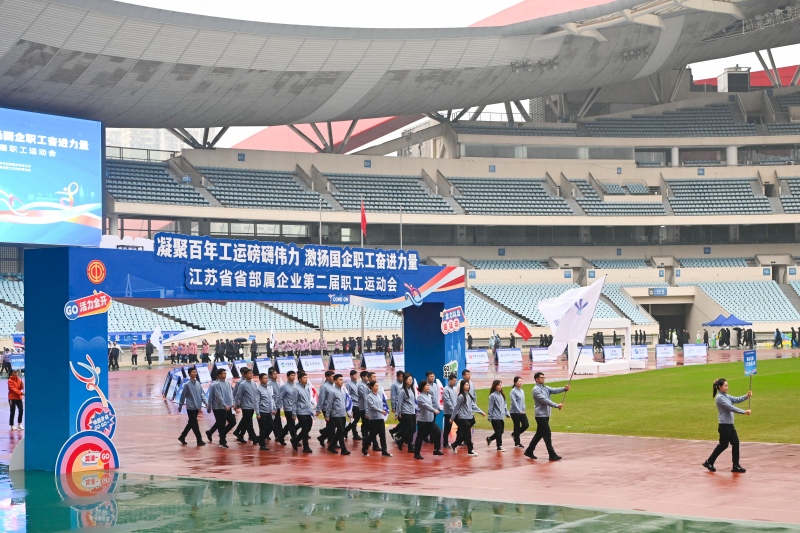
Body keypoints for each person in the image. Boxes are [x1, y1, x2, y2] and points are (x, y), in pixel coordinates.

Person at [703, 378, 751, 473]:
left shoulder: (726, 396)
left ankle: (736, 465)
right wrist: (744, 412)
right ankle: (709, 462)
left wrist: (746, 396)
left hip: (729, 425)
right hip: (724, 426)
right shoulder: (719, 398)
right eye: (725, 386)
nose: (727, 387)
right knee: (723, 445)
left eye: (727, 385)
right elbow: (730, 407)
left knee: (735, 443)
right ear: (719, 387)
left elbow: (736, 399)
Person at [524, 372, 569, 461]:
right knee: (547, 434)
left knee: (539, 434)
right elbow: (545, 400)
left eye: (544, 377)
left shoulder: (545, 387)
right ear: (536, 379)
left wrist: (564, 389)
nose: (543, 379)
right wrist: (556, 405)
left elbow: (554, 390)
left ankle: (529, 451)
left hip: (545, 415)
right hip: (540, 416)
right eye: (541, 377)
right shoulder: (536, 390)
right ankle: (552, 454)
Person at [450, 380, 484, 456]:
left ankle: (454, 444)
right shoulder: (461, 396)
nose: (468, 386)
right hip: (463, 417)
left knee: (466, 433)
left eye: (468, 385)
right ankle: (470, 450)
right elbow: (456, 408)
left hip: (469, 417)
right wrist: (452, 418)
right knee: (468, 434)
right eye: (466, 385)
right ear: (462, 386)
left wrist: (481, 412)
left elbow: (473, 405)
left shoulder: (468, 395)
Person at [413, 381, 443, 459]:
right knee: (420, 436)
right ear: (422, 387)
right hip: (422, 421)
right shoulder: (420, 397)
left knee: (438, 432)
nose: (428, 387)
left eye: (428, 385)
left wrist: (437, 408)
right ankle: (416, 453)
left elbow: (431, 405)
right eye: (426, 385)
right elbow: (426, 406)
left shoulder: (429, 395)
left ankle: (436, 449)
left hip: (430, 420)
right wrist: (434, 410)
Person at [177, 367, 207, 446]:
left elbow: (202, 394)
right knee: (195, 424)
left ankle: (182, 436)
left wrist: (206, 402)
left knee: (191, 423)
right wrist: (180, 406)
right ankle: (199, 439)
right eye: (193, 372)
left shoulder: (198, 383)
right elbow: (183, 395)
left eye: (195, 372)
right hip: (190, 407)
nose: (195, 373)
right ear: (189, 374)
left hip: (197, 407)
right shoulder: (187, 385)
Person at [206, 368, 236, 448]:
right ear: (219, 375)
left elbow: (230, 394)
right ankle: (222, 441)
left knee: (232, 422)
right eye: (223, 373)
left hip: (228, 406)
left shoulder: (228, 383)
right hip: (219, 408)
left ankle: (211, 432)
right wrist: (224, 405)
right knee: (221, 424)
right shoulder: (216, 384)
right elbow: (218, 396)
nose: (225, 375)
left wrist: (232, 402)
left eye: (225, 373)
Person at [363, 380, 392, 457]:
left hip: (380, 418)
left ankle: (384, 451)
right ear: (371, 387)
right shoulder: (369, 397)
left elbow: (382, 404)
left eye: (377, 386)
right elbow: (372, 406)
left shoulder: (379, 395)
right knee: (372, 435)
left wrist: (383, 411)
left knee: (382, 435)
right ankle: (364, 448)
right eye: (375, 386)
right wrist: (381, 411)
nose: (377, 387)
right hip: (373, 419)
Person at [324, 374, 351, 455]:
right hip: (336, 415)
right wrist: (327, 415)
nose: (341, 381)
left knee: (340, 431)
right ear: (335, 381)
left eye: (342, 379)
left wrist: (348, 412)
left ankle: (331, 446)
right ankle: (343, 449)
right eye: (340, 380)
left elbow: (345, 403)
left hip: (342, 414)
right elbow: (329, 404)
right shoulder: (333, 392)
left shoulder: (343, 391)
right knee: (341, 431)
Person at [233, 368, 259, 445]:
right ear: (245, 375)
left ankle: (240, 435)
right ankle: (254, 437)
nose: (251, 375)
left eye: (252, 373)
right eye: (249, 373)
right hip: (246, 406)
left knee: (245, 421)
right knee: (249, 423)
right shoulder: (242, 384)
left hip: (252, 406)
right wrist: (236, 404)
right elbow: (238, 395)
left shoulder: (254, 383)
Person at [290, 371, 314, 453]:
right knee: (305, 428)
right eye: (304, 378)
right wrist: (294, 413)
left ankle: (295, 440)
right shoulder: (296, 389)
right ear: (300, 379)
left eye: (307, 378)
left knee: (308, 427)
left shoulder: (307, 387)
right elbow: (294, 402)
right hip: (300, 412)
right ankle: (306, 446)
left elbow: (309, 399)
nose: (306, 379)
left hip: (308, 411)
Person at [486, 380, 511, 452]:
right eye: (498, 385)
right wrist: (490, 416)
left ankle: (490, 439)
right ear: (495, 386)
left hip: (501, 417)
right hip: (495, 417)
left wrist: (507, 413)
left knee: (501, 431)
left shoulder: (501, 395)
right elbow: (491, 407)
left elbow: (505, 405)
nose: (500, 386)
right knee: (498, 432)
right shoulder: (492, 396)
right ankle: (499, 446)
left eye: (501, 385)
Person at [396, 372, 417, 453]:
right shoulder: (402, 391)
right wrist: (398, 413)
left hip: (412, 412)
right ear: (405, 380)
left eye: (411, 379)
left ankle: (401, 441)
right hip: (406, 412)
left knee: (413, 429)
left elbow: (413, 402)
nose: (411, 381)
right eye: (409, 379)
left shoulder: (411, 389)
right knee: (410, 430)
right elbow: (399, 402)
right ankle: (410, 446)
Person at [255, 372, 275, 451]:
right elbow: (256, 401)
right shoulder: (258, 389)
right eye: (264, 378)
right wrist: (257, 413)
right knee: (263, 428)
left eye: (267, 378)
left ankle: (261, 439)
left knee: (271, 426)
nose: (266, 380)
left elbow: (272, 399)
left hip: (269, 411)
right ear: (260, 379)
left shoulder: (269, 388)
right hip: (262, 412)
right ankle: (262, 444)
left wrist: (273, 408)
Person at [266, 367, 286, 445]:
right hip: (273, 406)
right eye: (274, 374)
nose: (276, 375)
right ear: (270, 375)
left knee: (277, 420)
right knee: (274, 421)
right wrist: (273, 407)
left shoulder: (277, 383)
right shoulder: (269, 384)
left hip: (278, 405)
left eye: (276, 373)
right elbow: (271, 397)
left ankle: (278, 434)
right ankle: (277, 435)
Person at [317, 371, 336, 448]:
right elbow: (321, 398)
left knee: (332, 425)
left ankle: (323, 437)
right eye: (332, 376)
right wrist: (318, 409)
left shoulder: (334, 385)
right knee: (332, 425)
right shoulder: (324, 387)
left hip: (334, 408)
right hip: (326, 408)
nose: (334, 378)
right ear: (327, 377)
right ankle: (332, 441)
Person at [509, 376, 529, 448]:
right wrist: (519, 410)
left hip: (522, 411)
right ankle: (517, 443)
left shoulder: (522, 391)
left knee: (526, 425)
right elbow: (514, 402)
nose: (520, 383)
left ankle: (515, 434)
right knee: (516, 426)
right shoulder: (513, 391)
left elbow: (522, 401)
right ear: (515, 383)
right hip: (515, 412)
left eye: (521, 381)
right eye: (519, 381)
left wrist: (523, 408)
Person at [280, 370, 298, 445]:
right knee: (291, 424)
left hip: (295, 408)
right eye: (291, 375)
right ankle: (295, 439)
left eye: (294, 375)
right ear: (287, 377)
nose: (293, 377)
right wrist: (280, 406)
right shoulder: (284, 387)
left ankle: (280, 437)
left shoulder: (296, 385)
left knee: (289, 424)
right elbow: (281, 397)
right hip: (288, 408)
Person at [345, 369, 363, 441]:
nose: (356, 376)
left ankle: (346, 430)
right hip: (353, 404)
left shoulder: (358, 384)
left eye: (356, 375)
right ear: (351, 376)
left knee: (356, 419)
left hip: (359, 404)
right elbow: (347, 395)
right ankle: (355, 434)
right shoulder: (348, 384)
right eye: (355, 375)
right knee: (354, 419)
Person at [442, 374, 458, 449]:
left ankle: (458, 441)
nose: (455, 382)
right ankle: (445, 443)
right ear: (449, 380)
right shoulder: (446, 389)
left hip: (455, 412)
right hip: (448, 412)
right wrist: (453, 409)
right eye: (454, 380)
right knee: (448, 428)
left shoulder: (454, 389)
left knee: (461, 425)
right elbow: (447, 401)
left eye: (456, 380)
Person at [389, 370, 404, 443]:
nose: (402, 378)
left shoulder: (404, 384)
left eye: (403, 376)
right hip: (398, 406)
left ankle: (394, 431)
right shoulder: (394, 385)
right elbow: (393, 396)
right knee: (404, 422)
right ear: (397, 377)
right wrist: (393, 407)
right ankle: (397, 434)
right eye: (401, 376)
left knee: (404, 422)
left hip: (403, 406)